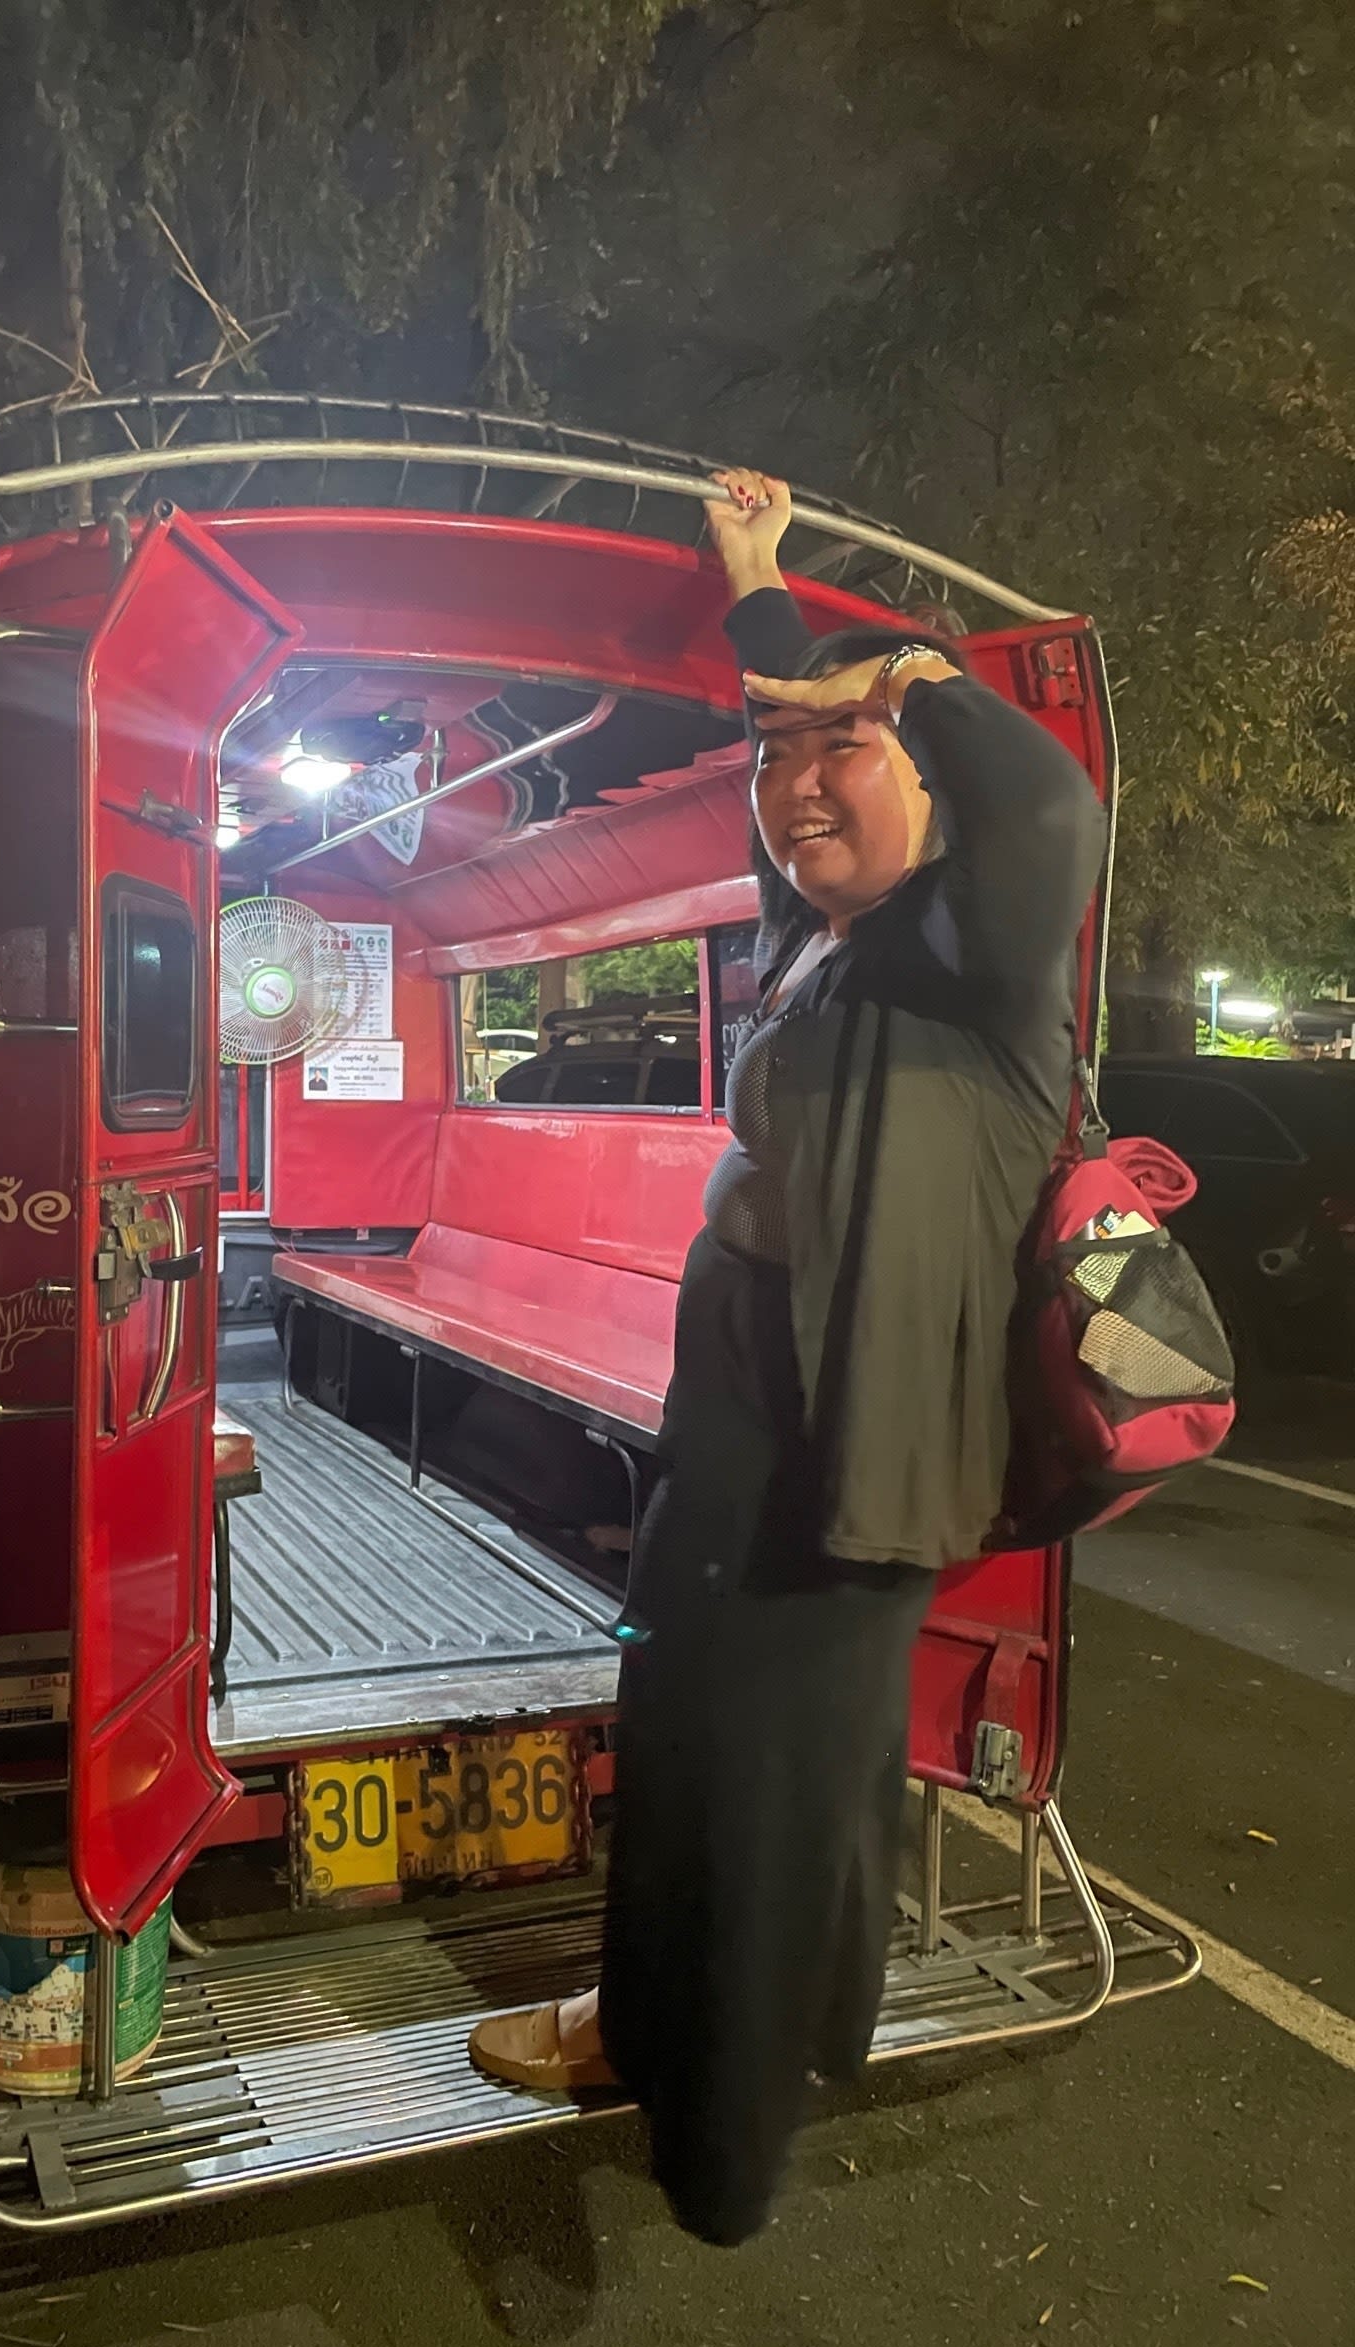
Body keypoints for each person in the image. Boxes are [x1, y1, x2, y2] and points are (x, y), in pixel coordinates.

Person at [469, 468, 1105, 2246]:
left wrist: (910, 687)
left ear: (926, 790)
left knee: (748, 1781)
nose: (799, 790)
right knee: (729, 1752)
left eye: (847, 765)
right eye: (775, 766)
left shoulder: (968, 956)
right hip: (747, 1435)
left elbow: (1048, 812)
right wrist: (756, 593)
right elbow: (789, 809)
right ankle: (708, 2033)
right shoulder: (820, 950)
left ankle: (717, 2140)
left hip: (846, 1461)